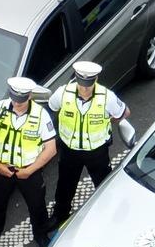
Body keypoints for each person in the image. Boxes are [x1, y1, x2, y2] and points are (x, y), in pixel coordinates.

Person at [48, 61, 131, 230]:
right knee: (65, 185)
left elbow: (124, 113)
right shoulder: (62, 93)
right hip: (70, 150)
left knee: (103, 185)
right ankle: (60, 215)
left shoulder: (107, 97)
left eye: (89, 84)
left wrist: (107, 121)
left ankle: (107, 215)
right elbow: (52, 107)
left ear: (96, 79)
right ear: (76, 79)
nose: (85, 89)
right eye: (82, 83)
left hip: (96, 151)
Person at [0, 76, 57, 247]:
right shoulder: (0, 108)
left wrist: (29, 171)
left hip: (29, 171)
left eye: (20, 100)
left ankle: (41, 235)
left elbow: (50, 149)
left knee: (37, 205)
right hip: (2, 168)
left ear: (29, 96)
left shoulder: (40, 115)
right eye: (14, 98)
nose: (16, 103)